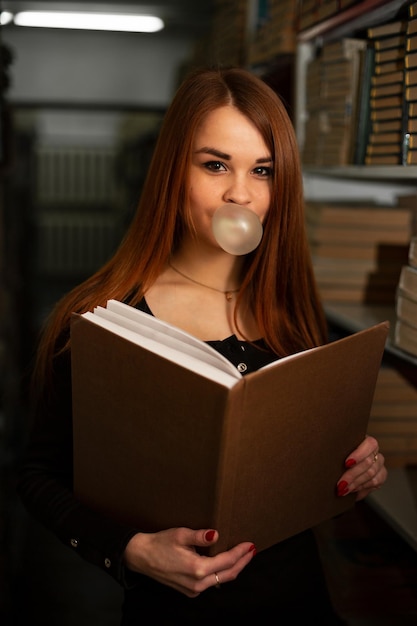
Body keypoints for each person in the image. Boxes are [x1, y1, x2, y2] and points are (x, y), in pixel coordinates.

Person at [17, 66, 387, 624]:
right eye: (216, 165)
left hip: (300, 605)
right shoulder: (98, 320)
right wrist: (131, 550)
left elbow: (309, 470)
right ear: (173, 171)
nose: (240, 193)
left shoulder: (293, 315)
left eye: (262, 170)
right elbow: (38, 478)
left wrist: (354, 468)